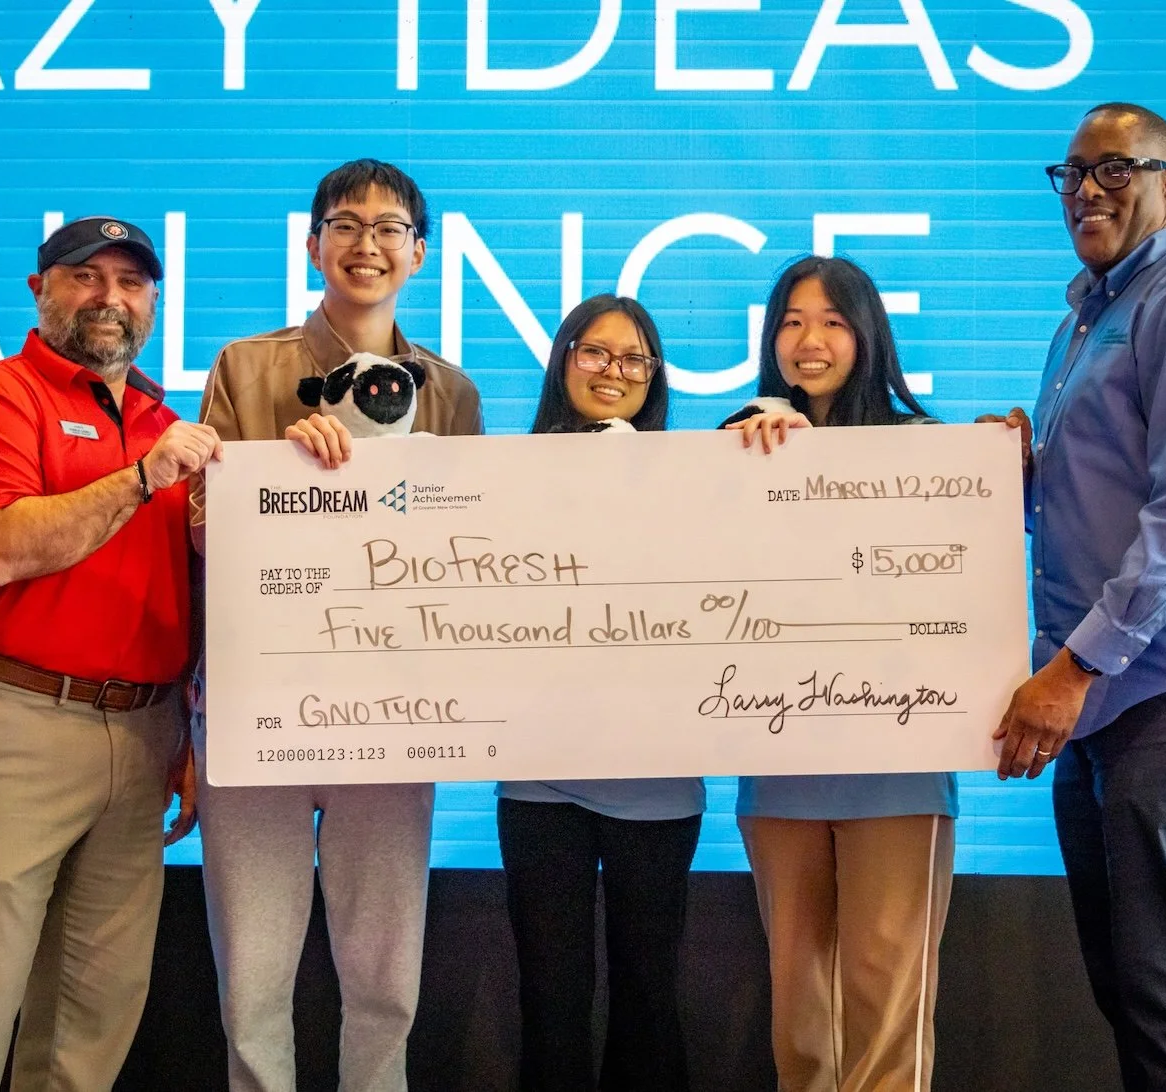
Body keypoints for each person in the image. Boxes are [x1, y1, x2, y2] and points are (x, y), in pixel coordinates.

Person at [981, 103, 1166, 1092]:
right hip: (1106, 695)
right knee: (1129, 982)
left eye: (1115, 169)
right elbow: (1097, 497)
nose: (1087, 191)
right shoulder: (1085, 321)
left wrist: (1071, 672)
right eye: (1072, 175)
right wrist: (1007, 474)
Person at [0, 216, 218, 1092]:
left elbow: (186, 593)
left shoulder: (163, 421)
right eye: (86, 276)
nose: (110, 297)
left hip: (143, 733)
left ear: (154, 303)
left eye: (132, 282)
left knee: (94, 1010)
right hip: (14, 722)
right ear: (40, 291)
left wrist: (193, 732)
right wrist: (143, 478)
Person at [189, 158, 483, 1092]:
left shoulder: (450, 392)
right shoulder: (247, 366)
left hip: (391, 714)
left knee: (387, 980)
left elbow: (472, 552)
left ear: (420, 252)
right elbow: (199, 526)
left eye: (390, 228)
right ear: (314, 244)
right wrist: (278, 476)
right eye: (346, 224)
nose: (368, 244)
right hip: (257, 708)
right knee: (252, 981)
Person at [725, 255, 955, 1092]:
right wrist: (739, 463)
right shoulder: (736, 443)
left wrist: (1005, 459)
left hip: (898, 771)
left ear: (868, 335)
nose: (809, 340)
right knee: (800, 1014)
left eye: (831, 321)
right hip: (780, 768)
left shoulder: (927, 448)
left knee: (886, 1010)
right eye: (791, 321)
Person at [495, 294, 700, 1092]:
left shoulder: (694, 480)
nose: (614, 371)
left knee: (650, 1000)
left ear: (654, 376)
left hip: (658, 780)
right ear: (564, 360)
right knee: (549, 1001)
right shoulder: (499, 477)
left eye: (634, 358)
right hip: (539, 779)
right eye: (596, 352)